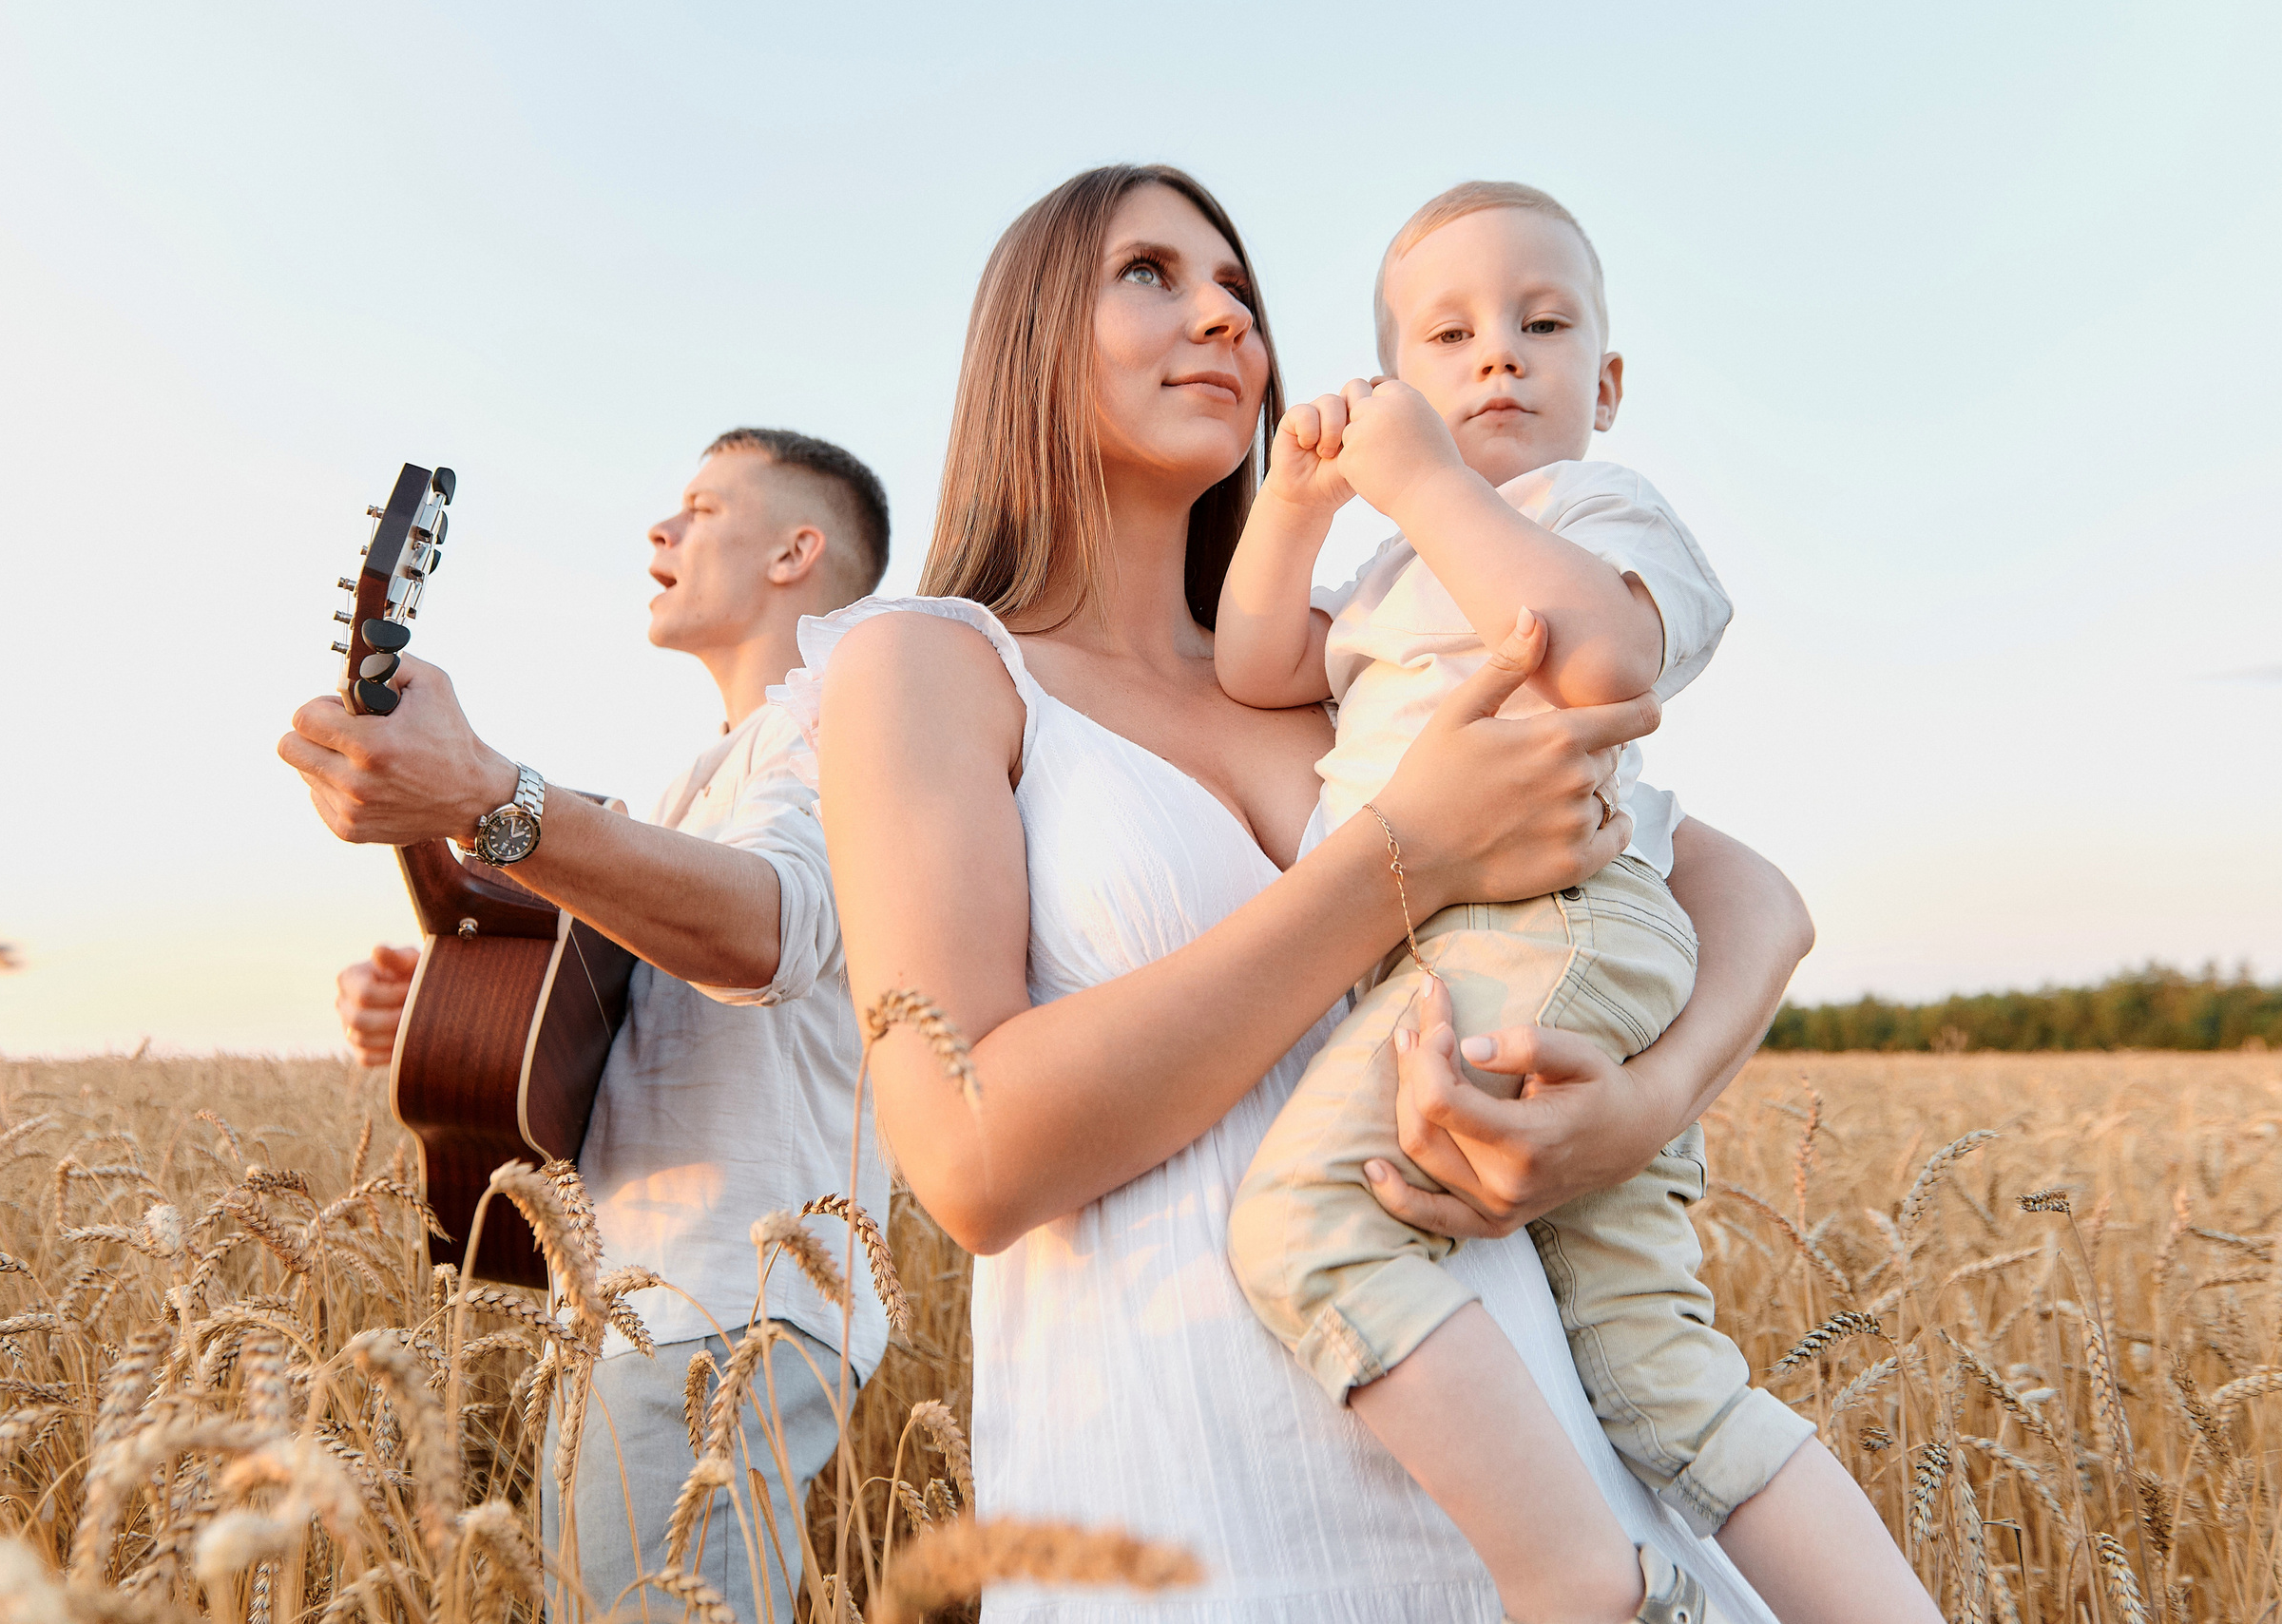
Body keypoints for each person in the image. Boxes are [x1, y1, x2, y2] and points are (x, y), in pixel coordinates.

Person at [783, 164, 1939, 1623]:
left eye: (1241, 292)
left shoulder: (1364, 652)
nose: (1221, 315)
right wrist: (1405, 854)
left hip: (1546, 1498)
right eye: (1149, 274)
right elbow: (970, 1161)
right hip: (1207, 1514)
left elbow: (1750, 894)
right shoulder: (933, 666)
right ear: (1026, 340)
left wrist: (1638, 1113)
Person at [1213, 180, 1914, 1624]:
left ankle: (1579, 1588)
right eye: (1449, 336)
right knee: (1663, 1377)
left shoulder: (1593, 511)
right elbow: (1256, 663)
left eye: (1540, 326)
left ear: (1604, 382)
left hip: (1545, 930)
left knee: (1305, 1226)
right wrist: (1295, 506)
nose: (1497, 360)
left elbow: (1605, 666)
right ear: (1393, 385)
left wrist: (1425, 483)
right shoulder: (1399, 564)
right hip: (1481, 950)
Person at [283, 428, 893, 1624]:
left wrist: (484, 790)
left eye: (701, 507)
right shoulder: (692, 788)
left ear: (796, 549)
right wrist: (446, 1019)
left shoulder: (836, 724)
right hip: (636, 1309)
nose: (659, 532)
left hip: (724, 1302)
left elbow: (768, 930)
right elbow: (605, 1033)